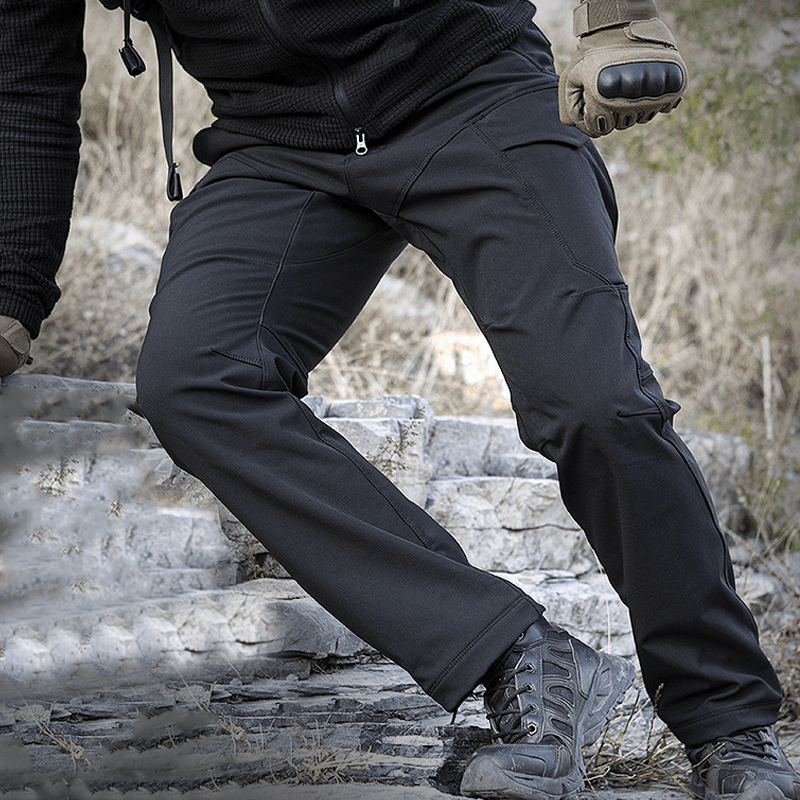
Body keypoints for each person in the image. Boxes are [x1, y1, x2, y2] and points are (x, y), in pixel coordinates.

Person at [2, 1, 798, 798]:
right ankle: (519, 655)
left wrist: (619, 19)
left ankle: (728, 724)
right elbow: (27, 81)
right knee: (193, 379)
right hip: (275, 140)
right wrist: (13, 294)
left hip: (471, 89)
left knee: (597, 402)